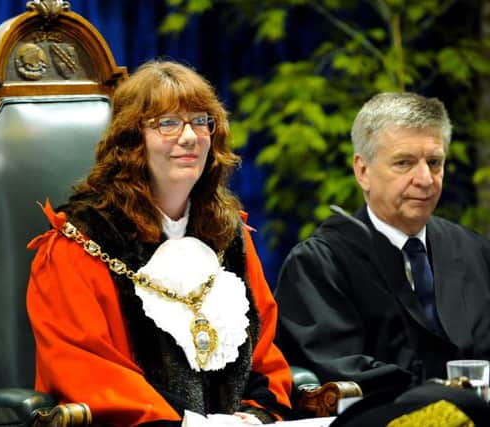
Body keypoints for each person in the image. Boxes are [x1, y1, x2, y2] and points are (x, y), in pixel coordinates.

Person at [26, 59, 293, 426]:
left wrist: (252, 416)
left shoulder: (229, 236)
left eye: (201, 121)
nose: (189, 137)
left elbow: (265, 357)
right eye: (167, 123)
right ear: (132, 140)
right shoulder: (79, 243)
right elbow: (85, 368)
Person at [274, 92, 490, 396]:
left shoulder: (473, 251)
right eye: (404, 163)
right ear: (363, 171)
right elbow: (337, 371)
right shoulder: (320, 264)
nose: (426, 179)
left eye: (435, 162)